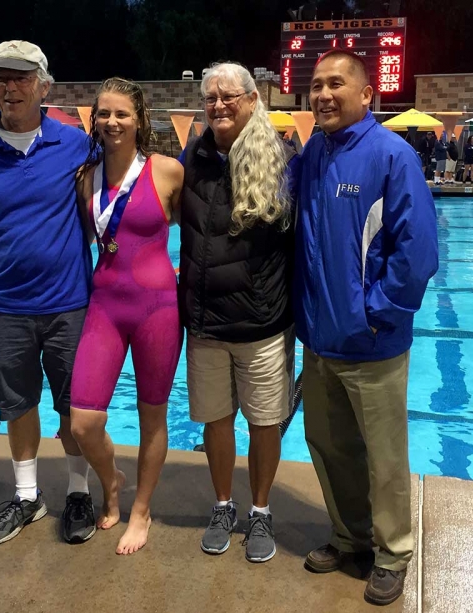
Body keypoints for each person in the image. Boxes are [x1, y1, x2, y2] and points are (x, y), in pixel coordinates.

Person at [295, 49, 438, 606]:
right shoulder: (312, 154)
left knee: (384, 458)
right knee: (330, 447)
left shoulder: (391, 156)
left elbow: (417, 252)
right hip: (321, 338)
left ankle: (393, 551)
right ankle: (350, 536)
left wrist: (375, 314)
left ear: (365, 95)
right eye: (317, 86)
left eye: (337, 84)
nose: (324, 94)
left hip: (372, 341)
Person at [0, 40, 95, 547]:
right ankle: (28, 496)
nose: (9, 87)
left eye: (21, 78)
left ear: (44, 86)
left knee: (74, 406)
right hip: (5, 306)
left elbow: (115, 199)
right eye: (2, 78)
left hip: (70, 303)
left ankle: (77, 492)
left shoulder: (75, 144)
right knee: (18, 404)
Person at [179, 62, 296, 564]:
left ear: (253, 99)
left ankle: (262, 510)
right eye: (211, 98)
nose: (219, 105)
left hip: (262, 325)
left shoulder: (282, 157)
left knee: (265, 422)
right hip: (206, 324)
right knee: (217, 420)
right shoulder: (195, 156)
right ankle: (224, 505)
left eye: (229, 96)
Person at [70, 77, 183, 556]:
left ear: (141, 120)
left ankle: (141, 510)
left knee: (152, 417)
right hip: (106, 307)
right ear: (94, 119)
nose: (112, 122)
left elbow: (194, 230)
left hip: (158, 309)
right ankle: (112, 478)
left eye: (122, 114)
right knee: (82, 423)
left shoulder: (168, 172)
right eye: (104, 114)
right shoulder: (85, 178)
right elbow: (86, 241)